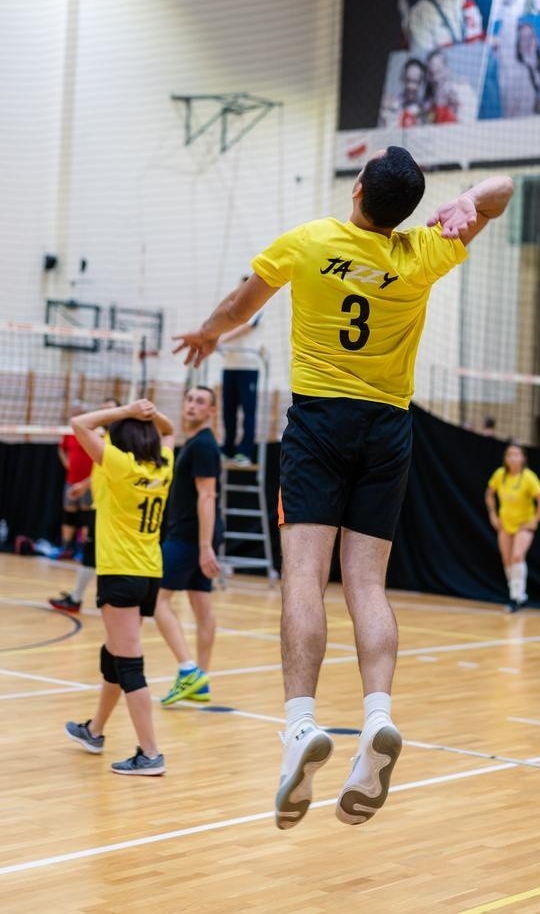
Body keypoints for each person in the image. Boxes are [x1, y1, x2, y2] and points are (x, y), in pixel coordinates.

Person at [173, 145, 514, 830]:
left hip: (320, 422)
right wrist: (466, 202)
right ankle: (378, 717)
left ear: (357, 188)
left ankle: (301, 727)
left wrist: (210, 334)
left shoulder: (308, 242)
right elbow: (504, 187)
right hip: (388, 428)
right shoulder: (424, 252)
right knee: (367, 585)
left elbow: (244, 300)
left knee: (304, 578)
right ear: (405, 210)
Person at [63, 399, 175, 775]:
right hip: (148, 573)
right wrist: (150, 413)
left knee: (128, 663)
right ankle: (94, 731)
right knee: (113, 654)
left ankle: (150, 753)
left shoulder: (119, 466)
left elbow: (79, 423)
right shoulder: (162, 465)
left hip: (121, 572)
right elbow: (171, 430)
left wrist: (127, 410)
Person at [155, 386, 223, 706]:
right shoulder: (196, 443)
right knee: (201, 604)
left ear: (211, 411)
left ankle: (189, 670)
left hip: (188, 537)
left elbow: (208, 496)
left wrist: (204, 545)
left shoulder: (204, 447)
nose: (192, 406)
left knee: (155, 599)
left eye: (200, 402)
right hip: (195, 537)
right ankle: (202, 680)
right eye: (190, 400)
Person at [48, 397, 120, 614]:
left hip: (108, 507)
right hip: (99, 502)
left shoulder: (118, 439)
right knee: (95, 552)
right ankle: (81, 597)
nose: (105, 414)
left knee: (95, 553)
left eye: (110, 410)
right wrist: (84, 484)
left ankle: (79, 598)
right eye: (103, 409)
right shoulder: (103, 437)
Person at [485, 442, 540, 611]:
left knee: (517, 555)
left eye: (516, 454)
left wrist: (534, 520)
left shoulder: (528, 477)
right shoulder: (500, 475)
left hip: (523, 525)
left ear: (523, 458)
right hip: (506, 524)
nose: (512, 458)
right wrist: (493, 514)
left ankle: (517, 596)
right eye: (509, 455)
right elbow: (489, 495)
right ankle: (516, 593)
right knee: (506, 559)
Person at [219, 281, 263, 462]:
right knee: (228, 411)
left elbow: (246, 327)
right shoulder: (231, 311)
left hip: (248, 366)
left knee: (248, 412)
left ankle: (245, 453)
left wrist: (220, 339)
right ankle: (227, 449)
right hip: (230, 365)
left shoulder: (258, 308)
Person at [57, 407, 93, 559]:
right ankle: (65, 547)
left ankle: (82, 549)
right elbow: (61, 449)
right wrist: (68, 464)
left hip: (89, 481)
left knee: (86, 514)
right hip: (71, 479)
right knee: (69, 513)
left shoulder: (92, 432)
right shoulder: (69, 432)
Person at [424, 48, 478, 125]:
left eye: (439, 71)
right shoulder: (427, 103)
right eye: (431, 73)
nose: (436, 78)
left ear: (447, 70)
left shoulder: (464, 91)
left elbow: (469, 123)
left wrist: (457, 105)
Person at [378, 57, 427, 129]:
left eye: (415, 81)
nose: (410, 86)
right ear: (402, 78)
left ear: (421, 83)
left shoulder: (425, 111)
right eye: (408, 80)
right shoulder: (390, 105)